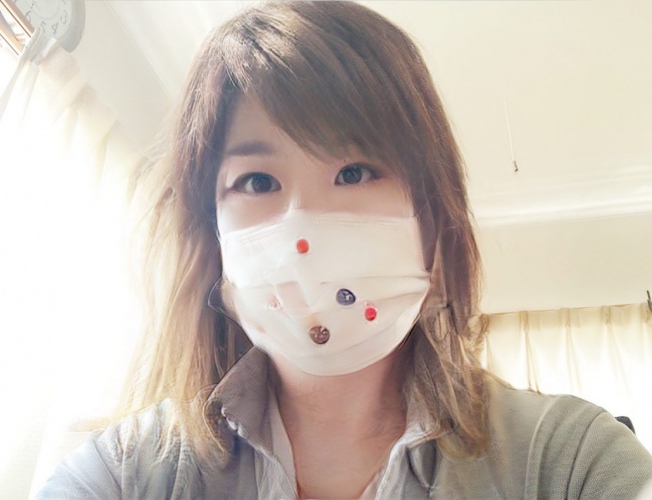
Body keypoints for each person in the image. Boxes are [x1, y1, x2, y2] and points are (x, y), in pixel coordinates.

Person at [36, 2, 652, 499]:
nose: (303, 228)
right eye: (257, 181)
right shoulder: (125, 473)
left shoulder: (566, 460)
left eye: (354, 171)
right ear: (211, 232)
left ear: (431, 216)